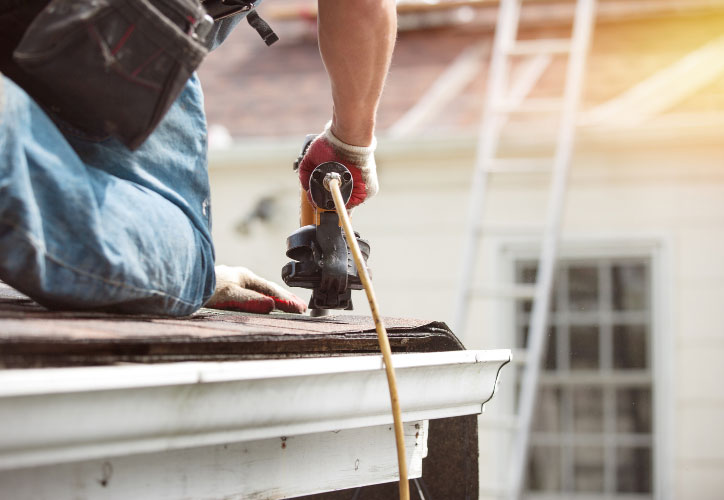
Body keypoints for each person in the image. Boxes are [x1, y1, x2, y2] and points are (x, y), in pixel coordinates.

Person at [0, 0, 397, 316]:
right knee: (184, 263)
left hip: (128, 36)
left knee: (186, 258)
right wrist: (350, 144)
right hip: (126, 26)